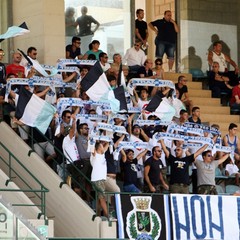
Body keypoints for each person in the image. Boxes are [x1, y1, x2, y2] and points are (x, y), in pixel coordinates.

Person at [90, 141, 109, 217]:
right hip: (97, 179)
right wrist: (93, 140)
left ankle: (98, 214)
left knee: (100, 197)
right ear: (98, 148)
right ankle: (108, 216)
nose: (103, 147)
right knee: (102, 198)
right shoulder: (95, 155)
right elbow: (92, 148)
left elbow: (107, 144)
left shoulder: (102, 154)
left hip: (101, 179)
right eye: (101, 146)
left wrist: (108, 140)